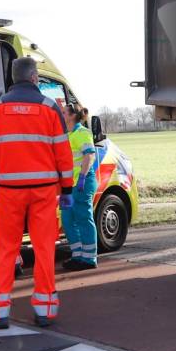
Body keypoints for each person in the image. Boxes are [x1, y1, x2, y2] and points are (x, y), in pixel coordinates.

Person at [0, 57, 73, 328]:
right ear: (34, 78)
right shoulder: (50, 108)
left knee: (6, 248)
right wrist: (66, 188)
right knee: (44, 249)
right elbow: (63, 154)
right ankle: (44, 310)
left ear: (13, 78)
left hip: (8, 191)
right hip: (43, 192)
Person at [60, 102, 99, 271]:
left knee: (83, 219)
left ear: (71, 116)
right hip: (70, 185)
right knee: (68, 220)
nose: (61, 115)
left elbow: (89, 156)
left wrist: (82, 177)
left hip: (82, 182)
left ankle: (89, 258)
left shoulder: (82, 133)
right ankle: (77, 255)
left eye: (63, 113)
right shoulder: (67, 134)